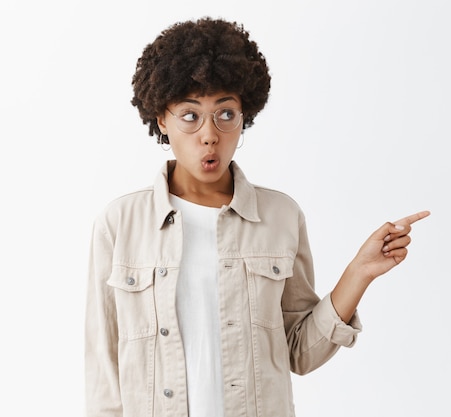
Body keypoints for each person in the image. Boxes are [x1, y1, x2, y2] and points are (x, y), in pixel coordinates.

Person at [84, 17, 430, 417]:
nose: (210, 134)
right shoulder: (120, 223)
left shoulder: (280, 216)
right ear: (162, 119)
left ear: (244, 116)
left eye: (225, 114)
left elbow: (300, 352)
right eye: (190, 115)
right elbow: (102, 367)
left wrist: (359, 273)